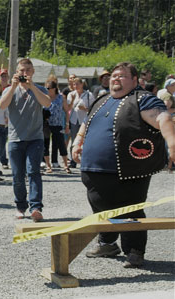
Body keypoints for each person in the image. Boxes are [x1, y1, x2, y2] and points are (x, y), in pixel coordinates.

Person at [72, 62, 175, 268]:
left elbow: (163, 118)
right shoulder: (101, 99)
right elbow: (87, 122)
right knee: (100, 207)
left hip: (130, 170)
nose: (116, 79)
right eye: (114, 76)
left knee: (131, 210)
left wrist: (172, 143)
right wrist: (78, 140)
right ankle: (108, 243)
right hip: (94, 169)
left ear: (135, 80)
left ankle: (135, 250)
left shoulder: (143, 99)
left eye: (122, 76)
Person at [0, 58, 51, 221]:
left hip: (35, 138)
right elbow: (1, 105)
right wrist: (13, 86)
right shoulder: (10, 89)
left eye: (28, 70)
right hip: (15, 138)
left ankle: (36, 207)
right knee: (17, 175)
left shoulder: (39, 89)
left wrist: (31, 86)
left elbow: (47, 103)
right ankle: (20, 206)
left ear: (33, 71)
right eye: (21, 70)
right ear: (16, 72)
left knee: (33, 171)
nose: (25, 73)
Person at [42, 79, 71, 174]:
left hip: (58, 124)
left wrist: (67, 124)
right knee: (45, 145)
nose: (46, 89)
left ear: (54, 88)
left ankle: (66, 165)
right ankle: (48, 166)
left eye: (48, 88)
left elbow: (67, 111)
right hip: (46, 124)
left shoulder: (61, 98)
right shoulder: (43, 97)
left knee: (61, 144)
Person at [67, 77, 95, 168]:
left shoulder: (88, 95)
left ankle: (85, 159)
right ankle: (73, 160)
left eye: (77, 84)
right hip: (74, 120)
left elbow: (93, 109)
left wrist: (84, 109)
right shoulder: (71, 94)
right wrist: (72, 100)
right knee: (74, 140)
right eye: (74, 84)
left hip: (84, 120)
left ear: (82, 84)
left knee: (86, 140)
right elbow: (67, 109)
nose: (76, 86)